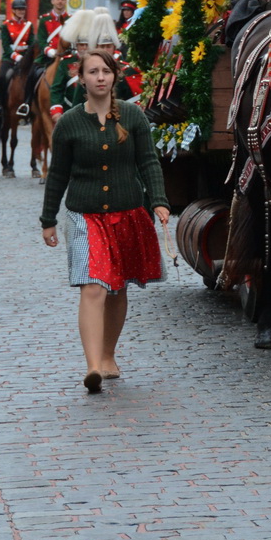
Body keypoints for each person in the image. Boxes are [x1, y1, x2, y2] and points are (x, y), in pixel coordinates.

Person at [39, 49, 171, 394]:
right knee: (94, 286)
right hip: (85, 215)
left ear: (114, 76)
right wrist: (48, 219)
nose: (100, 77)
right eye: (92, 72)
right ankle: (93, 366)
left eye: (106, 71)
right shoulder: (68, 122)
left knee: (118, 287)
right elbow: (57, 175)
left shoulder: (133, 116)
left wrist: (158, 201)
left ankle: (109, 354)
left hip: (127, 212)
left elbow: (149, 162)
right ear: (80, 79)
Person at [0, 0, 34, 120]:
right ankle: (0, 105)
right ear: (13, 10)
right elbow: (6, 46)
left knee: (35, 77)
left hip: (26, 58)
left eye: (23, 9)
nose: (21, 11)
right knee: (2, 77)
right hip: (11, 58)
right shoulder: (6, 25)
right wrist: (16, 56)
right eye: (19, 9)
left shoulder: (28, 25)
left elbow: (32, 43)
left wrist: (27, 57)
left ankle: (29, 104)